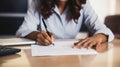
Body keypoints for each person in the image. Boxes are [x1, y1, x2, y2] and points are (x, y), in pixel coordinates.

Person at [16, 0, 114, 49]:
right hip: (46, 55)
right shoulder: (38, 2)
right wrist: (37, 35)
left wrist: (98, 37)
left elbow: (105, 31)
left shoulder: (83, 3)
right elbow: (22, 30)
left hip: (73, 52)